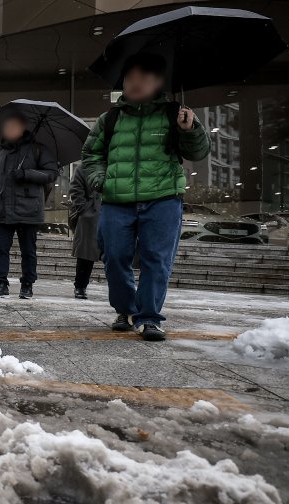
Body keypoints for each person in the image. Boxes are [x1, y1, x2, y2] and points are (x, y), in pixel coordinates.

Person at [80, 52, 210, 341]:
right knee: (114, 257)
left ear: (160, 82)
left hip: (163, 198)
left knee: (156, 259)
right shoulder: (109, 118)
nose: (136, 82)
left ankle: (149, 316)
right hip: (117, 200)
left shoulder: (174, 114)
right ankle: (125, 309)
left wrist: (190, 130)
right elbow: (90, 155)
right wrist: (101, 181)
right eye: (131, 77)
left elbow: (198, 153)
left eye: (145, 77)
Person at [0, 113, 58, 300]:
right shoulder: (0, 153)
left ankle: (27, 285)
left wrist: (26, 173)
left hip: (28, 208)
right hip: (2, 208)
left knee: (28, 250)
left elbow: (51, 174)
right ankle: (0, 283)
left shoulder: (38, 149)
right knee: (0, 249)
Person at [68, 163, 102, 299]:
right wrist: (84, 209)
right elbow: (75, 188)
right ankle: (80, 286)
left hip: (111, 212)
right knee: (85, 254)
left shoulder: (115, 163)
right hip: (90, 215)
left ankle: (119, 288)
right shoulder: (84, 167)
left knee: (116, 256)